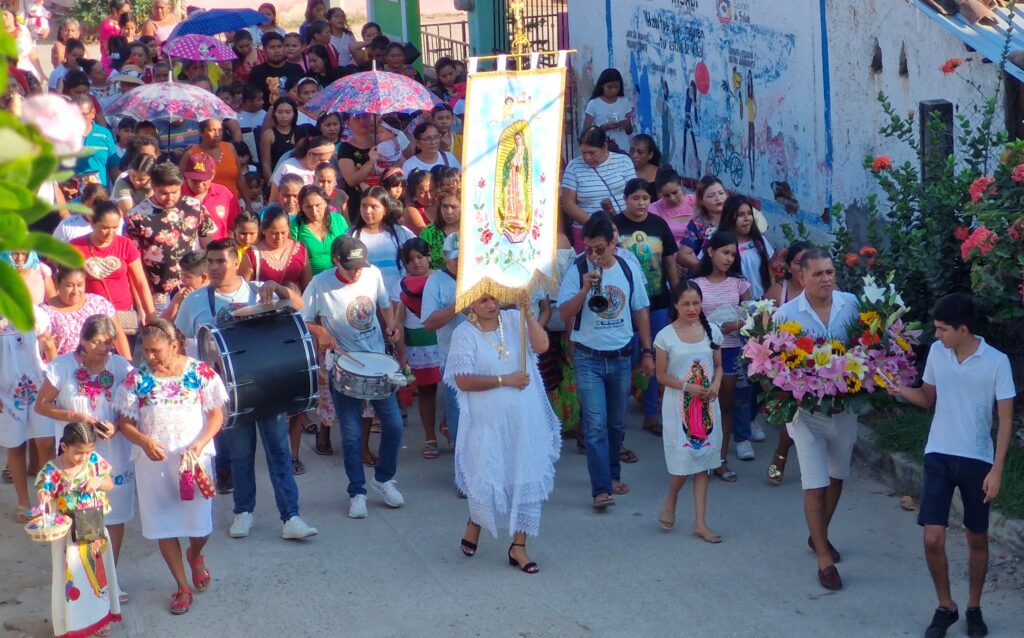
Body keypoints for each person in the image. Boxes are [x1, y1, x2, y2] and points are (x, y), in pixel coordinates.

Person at [173, 239, 318, 540]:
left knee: (279, 452)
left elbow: (299, 305)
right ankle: (243, 512)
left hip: (268, 386)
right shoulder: (195, 301)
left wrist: (277, 288)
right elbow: (181, 340)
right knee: (240, 454)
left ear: (235, 261)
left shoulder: (258, 289)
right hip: (228, 393)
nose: (214, 268)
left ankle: (291, 517)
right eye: (210, 262)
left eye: (220, 262)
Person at [889, 294, 1014, 638]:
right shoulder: (938, 354)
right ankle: (946, 606)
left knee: (977, 536)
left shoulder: (997, 362)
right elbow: (927, 399)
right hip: (939, 454)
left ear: (963, 329)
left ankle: (973, 607)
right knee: (932, 538)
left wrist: (997, 469)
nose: (937, 335)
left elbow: (1004, 420)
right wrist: (897, 388)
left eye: (943, 329)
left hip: (978, 459)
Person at [115, 320, 225, 615]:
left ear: (174, 346)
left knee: (200, 524)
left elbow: (216, 415)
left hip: (193, 460)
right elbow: (125, 423)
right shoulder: (136, 378)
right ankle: (181, 586)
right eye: (145, 350)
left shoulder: (199, 372)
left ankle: (196, 553)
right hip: (154, 464)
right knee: (164, 524)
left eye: (156, 350)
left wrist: (200, 443)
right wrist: (143, 441)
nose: (149, 357)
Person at [446, 294, 560, 573]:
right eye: (482, 300)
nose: (490, 304)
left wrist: (528, 314)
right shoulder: (464, 333)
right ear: (469, 303)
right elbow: (463, 380)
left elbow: (542, 346)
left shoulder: (513, 319)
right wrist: (504, 380)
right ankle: (476, 521)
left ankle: (518, 547)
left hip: (525, 418)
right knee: (485, 475)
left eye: (493, 298)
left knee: (526, 474)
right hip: (486, 423)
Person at [772, 248, 861, 591]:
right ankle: (824, 558)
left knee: (837, 475)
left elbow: (867, 349)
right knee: (814, 480)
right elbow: (777, 368)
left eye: (830, 272)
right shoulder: (785, 315)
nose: (826, 279)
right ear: (802, 278)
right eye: (818, 274)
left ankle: (817, 535)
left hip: (844, 409)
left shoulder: (851, 304)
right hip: (805, 414)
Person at [301, 237, 405, 518]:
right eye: (350, 268)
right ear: (336, 260)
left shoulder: (372, 274)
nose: (356, 272)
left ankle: (383, 479)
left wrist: (392, 324)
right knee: (350, 433)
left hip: (376, 360)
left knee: (394, 425)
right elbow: (303, 318)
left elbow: (385, 305)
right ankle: (357, 491)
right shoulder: (321, 284)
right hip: (343, 363)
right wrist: (321, 332)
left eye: (359, 266)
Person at [556, 213, 652, 509]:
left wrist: (647, 351)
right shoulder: (577, 268)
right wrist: (585, 289)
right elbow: (564, 314)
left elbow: (640, 310)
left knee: (616, 423)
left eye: (600, 249)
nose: (594, 254)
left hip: (622, 356)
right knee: (595, 425)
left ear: (614, 244)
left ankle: (612, 474)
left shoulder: (627, 267)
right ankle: (601, 488)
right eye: (588, 248)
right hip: (588, 357)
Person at [35, 315, 135, 573]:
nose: (104, 348)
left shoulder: (120, 367)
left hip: (113, 451)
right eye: (97, 342)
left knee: (114, 514)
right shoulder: (62, 367)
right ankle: (85, 580)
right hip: (76, 456)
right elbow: (41, 405)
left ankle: (109, 577)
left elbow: (132, 404)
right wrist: (75, 416)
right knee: (82, 515)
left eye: (109, 342)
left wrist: (116, 425)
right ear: (83, 340)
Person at [35, 422, 121, 638]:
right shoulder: (53, 469)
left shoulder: (93, 462)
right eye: (78, 453)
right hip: (67, 534)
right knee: (71, 577)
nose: (83, 457)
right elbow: (45, 490)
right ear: (64, 447)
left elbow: (109, 483)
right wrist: (45, 495)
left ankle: (100, 619)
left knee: (97, 576)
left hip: (92, 527)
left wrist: (98, 481)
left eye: (88, 451)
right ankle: (72, 622)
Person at [654, 281, 723, 541]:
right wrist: (688, 387)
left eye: (696, 303)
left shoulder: (712, 331)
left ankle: (701, 523)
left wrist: (715, 384)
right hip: (680, 407)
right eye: (685, 303)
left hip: (707, 405)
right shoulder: (665, 337)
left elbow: (717, 366)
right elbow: (661, 375)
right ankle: (671, 498)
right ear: (675, 305)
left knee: (703, 463)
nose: (692, 308)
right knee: (684, 463)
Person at [614, 178, 680, 437]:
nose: (641, 203)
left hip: (658, 301)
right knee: (626, 356)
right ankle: (617, 412)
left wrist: (677, 295)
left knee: (655, 355)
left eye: (645, 199)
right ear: (626, 199)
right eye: (635, 198)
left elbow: (670, 263)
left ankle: (651, 412)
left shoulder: (658, 224)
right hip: (623, 305)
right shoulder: (616, 226)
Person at [691, 231, 751, 473]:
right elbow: (686, 317)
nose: (728, 259)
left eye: (733, 255)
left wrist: (736, 325)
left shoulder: (740, 283)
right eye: (725, 253)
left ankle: (720, 459)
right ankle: (698, 456)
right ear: (710, 251)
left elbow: (754, 316)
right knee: (699, 407)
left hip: (730, 351)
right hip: (702, 353)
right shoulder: (696, 284)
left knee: (724, 407)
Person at [124, 162, 215, 311]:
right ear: (152, 187)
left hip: (195, 289)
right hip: (159, 296)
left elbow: (208, 243)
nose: (170, 198)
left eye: (175, 191)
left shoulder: (194, 206)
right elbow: (134, 265)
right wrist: (143, 307)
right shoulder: (136, 217)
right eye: (164, 193)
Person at [763, 239, 814, 486]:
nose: (803, 268)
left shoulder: (826, 289)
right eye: (798, 262)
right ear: (788, 266)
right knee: (794, 414)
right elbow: (761, 330)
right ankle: (781, 456)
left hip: (819, 363)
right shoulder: (777, 293)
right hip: (784, 365)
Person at [0, 305, 53, 521]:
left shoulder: (32, 311)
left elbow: (47, 342)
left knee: (47, 443)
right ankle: (24, 502)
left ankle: (48, 499)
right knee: (16, 446)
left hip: (38, 385)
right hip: (5, 391)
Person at [70, 201, 155, 335]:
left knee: (126, 353)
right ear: (92, 223)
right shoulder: (76, 246)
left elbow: (140, 282)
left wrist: (150, 313)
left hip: (124, 312)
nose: (110, 233)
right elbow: (67, 282)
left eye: (115, 227)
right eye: (105, 227)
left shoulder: (125, 244)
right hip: (91, 314)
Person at [391, 238, 442, 459]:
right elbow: (398, 319)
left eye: (420, 257)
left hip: (443, 341)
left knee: (454, 387)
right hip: (418, 344)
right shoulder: (399, 285)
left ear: (429, 256)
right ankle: (430, 437)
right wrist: (401, 351)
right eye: (410, 260)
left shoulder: (442, 279)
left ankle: (451, 424)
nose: (416, 263)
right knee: (427, 391)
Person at [422, 233, 467, 451]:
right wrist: (459, 305)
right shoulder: (435, 282)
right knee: (457, 411)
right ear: (445, 257)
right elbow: (429, 323)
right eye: (455, 258)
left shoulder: (482, 278)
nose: (460, 262)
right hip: (452, 357)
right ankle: (462, 465)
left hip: (484, 355)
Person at [560, 127, 637, 251]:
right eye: (584, 153)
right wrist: (596, 226)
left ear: (605, 147)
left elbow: (634, 194)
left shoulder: (624, 162)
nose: (587, 158)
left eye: (592, 152)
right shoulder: (573, 167)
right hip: (588, 232)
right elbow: (568, 204)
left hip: (623, 229)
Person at [43, 267, 132, 360]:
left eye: (80, 285)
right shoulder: (44, 313)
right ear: (58, 283)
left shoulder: (98, 303)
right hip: (63, 370)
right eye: (69, 285)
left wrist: (128, 364)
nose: (75, 291)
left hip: (102, 368)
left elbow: (117, 333)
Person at [349, 187, 416, 292]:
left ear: (385, 209)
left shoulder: (401, 233)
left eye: (374, 206)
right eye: (364, 206)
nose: (368, 211)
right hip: (364, 298)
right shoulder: (351, 235)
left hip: (397, 297)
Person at [182, 119, 251, 204]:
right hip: (204, 208)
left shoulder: (230, 148)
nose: (217, 134)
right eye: (212, 130)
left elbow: (240, 178)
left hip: (231, 205)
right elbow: (182, 184)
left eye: (220, 130)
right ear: (201, 132)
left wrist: (248, 204)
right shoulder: (191, 154)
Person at [180, 151, 243, 241]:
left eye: (203, 180)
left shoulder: (224, 193)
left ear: (212, 175)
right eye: (194, 180)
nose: (199, 184)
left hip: (219, 251)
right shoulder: (177, 195)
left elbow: (238, 226)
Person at [290, 185, 350, 275]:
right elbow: (293, 258)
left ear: (326, 202)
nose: (314, 211)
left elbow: (348, 248)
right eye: (308, 207)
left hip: (340, 277)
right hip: (310, 280)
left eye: (318, 205)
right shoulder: (296, 225)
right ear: (301, 207)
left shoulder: (339, 219)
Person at [678, 175, 727, 272]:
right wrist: (708, 269)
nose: (718, 198)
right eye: (711, 196)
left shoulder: (736, 217)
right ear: (702, 201)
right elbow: (682, 256)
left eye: (721, 193)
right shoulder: (697, 224)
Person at [249, 32, 306, 109]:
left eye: (279, 46)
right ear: (265, 50)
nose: (277, 51)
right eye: (272, 47)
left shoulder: (296, 69)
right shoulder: (257, 72)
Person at [582, 68, 634, 152]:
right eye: (609, 87)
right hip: (601, 150)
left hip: (622, 148)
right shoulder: (593, 104)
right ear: (602, 85)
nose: (613, 91)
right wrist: (603, 128)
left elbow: (629, 131)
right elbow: (586, 132)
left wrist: (626, 124)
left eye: (616, 87)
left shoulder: (624, 102)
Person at [270, 135, 335, 200]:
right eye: (321, 160)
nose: (325, 163)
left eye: (327, 160)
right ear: (310, 154)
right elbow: (273, 199)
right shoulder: (287, 167)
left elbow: (333, 192)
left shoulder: (326, 167)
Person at [73, 96, 117, 187]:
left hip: (100, 195)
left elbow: (113, 164)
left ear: (93, 113)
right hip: (73, 197)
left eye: (83, 115)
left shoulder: (105, 134)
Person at [648, 168, 697, 246]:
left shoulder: (696, 201)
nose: (672, 198)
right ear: (659, 193)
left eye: (675, 192)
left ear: (681, 185)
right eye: (666, 195)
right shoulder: (653, 210)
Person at [260, 96, 298, 184]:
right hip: (277, 179)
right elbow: (266, 164)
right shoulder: (268, 134)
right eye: (280, 112)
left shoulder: (300, 131)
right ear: (274, 113)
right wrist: (271, 183)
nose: (284, 116)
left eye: (288, 112)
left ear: (294, 113)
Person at [420, 187, 460, 269]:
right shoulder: (429, 233)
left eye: (454, 207)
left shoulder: (472, 231)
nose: (448, 212)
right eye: (444, 206)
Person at [403, 168, 436, 234]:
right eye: (422, 193)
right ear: (414, 192)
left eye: (431, 190)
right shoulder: (412, 210)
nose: (429, 196)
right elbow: (428, 237)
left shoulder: (443, 205)